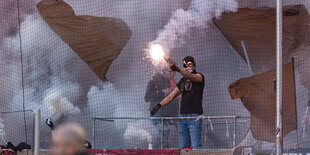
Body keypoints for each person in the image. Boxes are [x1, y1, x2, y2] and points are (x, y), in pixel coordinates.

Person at [150, 56, 205, 149]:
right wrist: (159, 105)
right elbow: (171, 96)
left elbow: (191, 76)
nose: (189, 66)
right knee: (183, 148)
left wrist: (178, 69)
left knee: (196, 146)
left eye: (190, 64)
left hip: (194, 117)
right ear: (184, 66)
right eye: (186, 65)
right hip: (182, 118)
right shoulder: (182, 81)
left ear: (194, 64)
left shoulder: (199, 77)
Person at [145, 67, 179, 148]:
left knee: (164, 137)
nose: (172, 74)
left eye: (173, 72)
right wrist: (161, 92)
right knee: (158, 137)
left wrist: (175, 116)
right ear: (164, 70)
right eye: (170, 71)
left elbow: (175, 100)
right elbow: (147, 97)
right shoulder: (154, 80)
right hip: (157, 114)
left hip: (167, 115)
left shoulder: (173, 82)